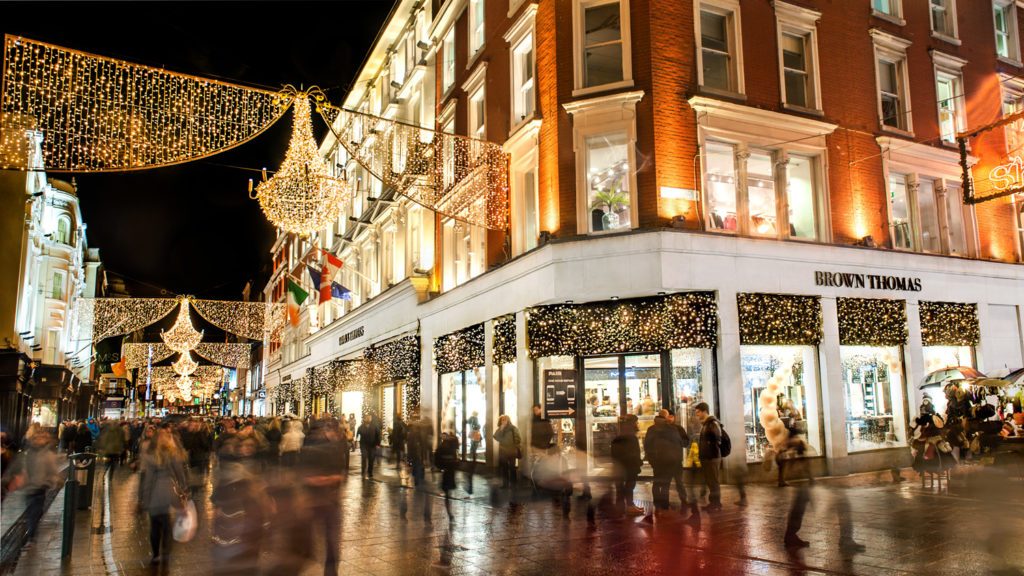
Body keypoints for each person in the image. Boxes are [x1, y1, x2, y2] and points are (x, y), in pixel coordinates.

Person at [299, 420, 345, 576]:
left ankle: (329, 569)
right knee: (325, 538)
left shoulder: (335, 446)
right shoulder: (321, 447)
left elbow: (339, 474)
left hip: (327, 500)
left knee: (330, 540)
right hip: (321, 500)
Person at [138, 427, 188, 565]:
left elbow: (147, 479)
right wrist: (184, 488)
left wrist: (144, 498)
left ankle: (155, 554)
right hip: (167, 491)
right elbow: (179, 473)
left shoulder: (150, 454)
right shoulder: (171, 453)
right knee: (166, 524)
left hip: (154, 492)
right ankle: (165, 552)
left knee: (155, 525)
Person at [643, 410, 684, 514]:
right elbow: (678, 444)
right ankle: (664, 505)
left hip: (656, 461)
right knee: (665, 483)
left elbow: (647, 445)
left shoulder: (651, 429)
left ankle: (657, 504)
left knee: (656, 483)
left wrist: (651, 459)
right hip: (669, 461)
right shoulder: (672, 429)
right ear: (665, 418)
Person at [610, 414, 644, 516]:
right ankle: (629, 506)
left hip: (621, 466)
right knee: (629, 486)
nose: (637, 424)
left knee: (621, 486)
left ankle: (623, 506)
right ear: (632, 424)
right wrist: (637, 462)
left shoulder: (620, 436)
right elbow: (633, 453)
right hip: (629, 466)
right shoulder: (630, 437)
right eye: (636, 422)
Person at [694, 402, 723, 511]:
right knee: (711, 481)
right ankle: (714, 503)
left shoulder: (712, 423)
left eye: (698, 412)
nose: (697, 415)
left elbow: (717, 439)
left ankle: (716, 504)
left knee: (713, 481)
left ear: (704, 411)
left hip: (712, 457)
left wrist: (709, 451)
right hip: (707, 457)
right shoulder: (706, 424)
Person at [665, 408, 691, 509]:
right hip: (666, 460)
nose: (670, 418)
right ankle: (665, 502)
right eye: (668, 416)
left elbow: (686, 441)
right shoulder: (662, 429)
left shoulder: (679, 428)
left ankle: (684, 500)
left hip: (676, 460)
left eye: (671, 416)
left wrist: (678, 443)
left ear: (674, 417)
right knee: (666, 482)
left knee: (679, 482)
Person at [435, 429, 460, 522]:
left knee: (447, 494)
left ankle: (450, 513)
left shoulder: (442, 447)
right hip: (450, 472)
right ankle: (450, 513)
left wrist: (442, 467)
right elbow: (456, 461)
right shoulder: (451, 448)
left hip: (446, 472)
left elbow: (437, 460)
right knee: (448, 494)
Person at [492, 415, 522, 489]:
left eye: (505, 419)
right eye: (502, 420)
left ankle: (513, 484)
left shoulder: (513, 428)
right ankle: (505, 484)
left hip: (512, 451)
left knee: (512, 468)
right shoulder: (500, 429)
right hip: (503, 451)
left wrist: (515, 446)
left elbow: (518, 438)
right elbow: (495, 437)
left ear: (508, 420)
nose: (504, 421)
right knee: (504, 468)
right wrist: (500, 429)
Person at [357, 414, 381, 479]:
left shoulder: (375, 426)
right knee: (364, 458)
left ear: (371, 419)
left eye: (369, 418)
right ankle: (363, 471)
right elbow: (358, 435)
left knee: (371, 459)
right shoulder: (361, 427)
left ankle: (370, 472)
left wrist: (378, 444)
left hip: (372, 445)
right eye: (367, 418)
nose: (368, 419)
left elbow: (378, 435)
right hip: (364, 445)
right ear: (364, 419)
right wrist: (357, 441)